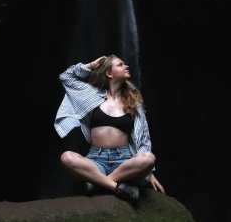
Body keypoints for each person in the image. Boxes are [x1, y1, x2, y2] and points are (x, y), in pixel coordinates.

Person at [55, 55, 165, 201]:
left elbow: (143, 138)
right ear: (109, 73)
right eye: (120, 65)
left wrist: (149, 172)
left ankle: (98, 182)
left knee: (149, 158)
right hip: (95, 160)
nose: (126, 66)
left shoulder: (133, 103)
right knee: (67, 157)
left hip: (124, 160)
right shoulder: (91, 96)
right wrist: (91, 65)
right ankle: (116, 187)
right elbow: (66, 77)